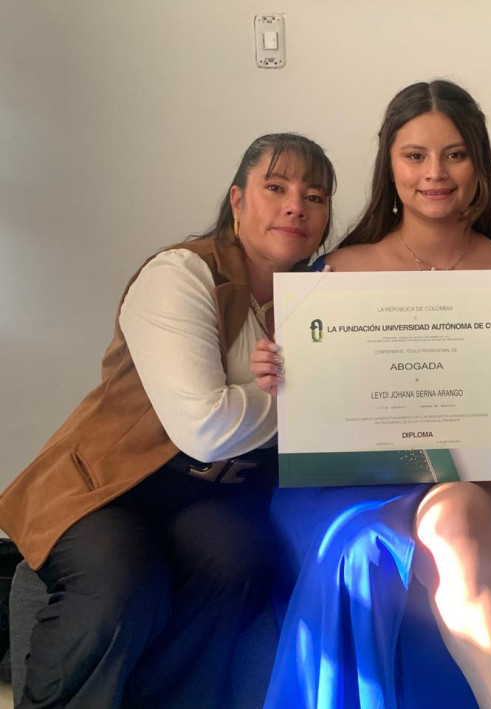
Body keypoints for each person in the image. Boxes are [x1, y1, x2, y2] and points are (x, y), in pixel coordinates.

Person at [250, 80, 491, 709]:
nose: (435, 173)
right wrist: (279, 372)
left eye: (455, 154)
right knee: (362, 546)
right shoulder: (336, 272)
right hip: (347, 478)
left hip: (467, 468)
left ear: (478, 165)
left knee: (456, 523)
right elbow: (312, 398)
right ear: (390, 165)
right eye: (415, 155)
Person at [0, 133, 336, 708]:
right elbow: (207, 427)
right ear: (237, 200)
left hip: (210, 494)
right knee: (121, 580)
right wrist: (304, 397)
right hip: (109, 486)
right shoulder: (181, 274)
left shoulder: (318, 297)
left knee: (239, 561)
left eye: (315, 196)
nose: (295, 207)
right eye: (276, 187)